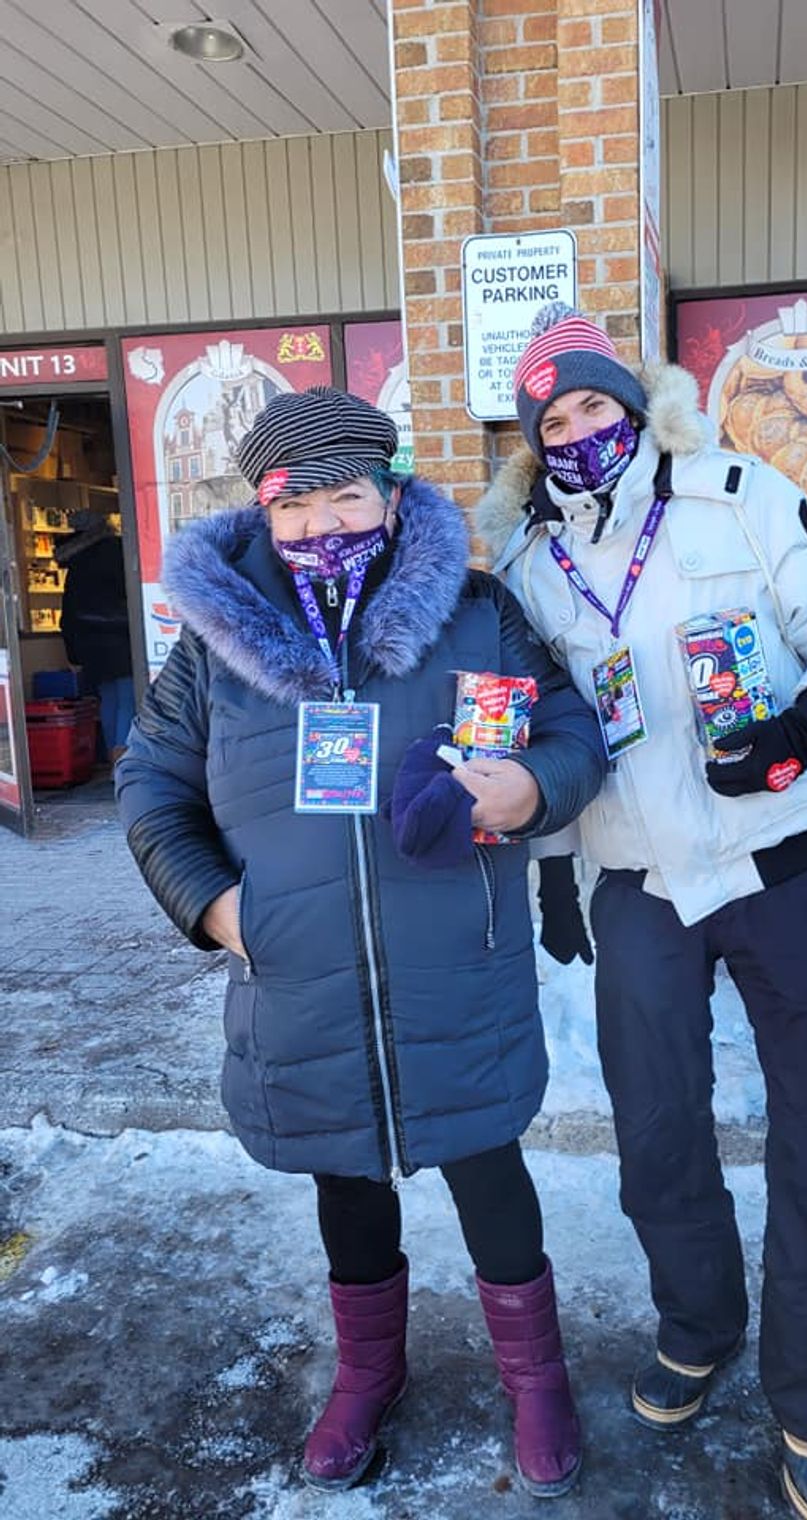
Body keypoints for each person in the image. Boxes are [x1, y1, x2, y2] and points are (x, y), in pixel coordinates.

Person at [116, 386, 607, 1497]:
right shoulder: (211, 645)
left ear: (389, 497)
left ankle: (537, 1377)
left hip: (459, 964)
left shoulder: (477, 611)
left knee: (490, 1168)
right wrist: (214, 907)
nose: (323, 524)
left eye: (349, 495)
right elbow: (148, 781)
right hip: (297, 972)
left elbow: (575, 729)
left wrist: (531, 783)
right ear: (262, 511)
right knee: (344, 1175)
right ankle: (367, 1373)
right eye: (296, 503)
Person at [477, 306, 807, 1520]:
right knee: (657, 1132)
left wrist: (806, 722)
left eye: (594, 405)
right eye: (550, 418)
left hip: (775, 866)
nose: (576, 430)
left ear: (634, 403)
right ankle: (697, 1322)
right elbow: (547, 725)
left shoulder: (735, 493)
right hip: (641, 887)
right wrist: (554, 863)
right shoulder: (527, 564)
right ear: (530, 441)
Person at [57, 507, 135, 764]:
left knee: (109, 699)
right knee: (129, 698)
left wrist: (73, 652)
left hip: (90, 644)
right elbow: (131, 589)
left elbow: (68, 611)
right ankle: (124, 760)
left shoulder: (76, 563)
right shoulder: (115, 551)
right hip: (119, 636)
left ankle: (115, 759)